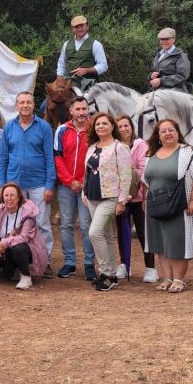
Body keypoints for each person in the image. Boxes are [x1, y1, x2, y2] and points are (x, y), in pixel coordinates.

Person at [143, 119, 193, 294]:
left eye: (171, 129)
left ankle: (179, 279)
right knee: (160, 243)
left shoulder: (189, 152)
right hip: (156, 205)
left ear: (178, 132)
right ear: (158, 136)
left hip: (178, 205)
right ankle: (167, 278)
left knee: (177, 242)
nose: (168, 133)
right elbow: (146, 180)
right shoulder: (151, 154)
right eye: (163, 131)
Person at [0, 91, 56, 274]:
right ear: (17, 105)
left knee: (42, 222)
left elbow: (49, 157)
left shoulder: (44, 127)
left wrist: (49, 185)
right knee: (16, 223)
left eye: (28, 102)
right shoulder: (9, 127)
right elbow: (3, 157)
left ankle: (44, 261)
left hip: (38, 183)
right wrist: (2, 184)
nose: (25, 105)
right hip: (14, 184)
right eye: (22, 102)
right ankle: (18, 261)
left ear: (33, 105)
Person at [81, 113, 133, 291]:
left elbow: (126, 176)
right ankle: (112, 274)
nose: (101, 126)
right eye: (97, 124)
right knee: (107, 236)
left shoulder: (120, 147)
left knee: (94, 233)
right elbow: (87, 171)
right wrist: (84, 191)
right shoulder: (92, 147)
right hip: (92, 196)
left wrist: (122, 201)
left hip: (110, 197)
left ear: (112, 126)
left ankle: (106, 272)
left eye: (105, 123)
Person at [53, 97, 95, 281]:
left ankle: (89, 263)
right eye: (77, 109)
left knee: (86, 226)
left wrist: (84, 180)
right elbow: (57, 157)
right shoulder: (62, 129)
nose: (81, 112)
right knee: (66, 224)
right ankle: (69, 262)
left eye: (84, 108)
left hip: (87, 185)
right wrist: (70, 181)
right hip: (66, 186)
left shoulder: (95, 129)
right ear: (71, 111)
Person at [0, 183, 49, 290]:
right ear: (2, 197)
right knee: (8, 275)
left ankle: (26, 276)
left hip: (27, 248)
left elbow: (25, 237)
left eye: (12, 195)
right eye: (6, 195)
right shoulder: (1, 209)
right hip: (6, 250)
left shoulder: (27, 213)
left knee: (19, 248)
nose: (9, 198)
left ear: (18, 197)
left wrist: (5, 242)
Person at [114, 114, 155, 283]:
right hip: (120, 197)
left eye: (126, 125)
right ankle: (124, 263)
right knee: (122, 231)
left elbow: (143, 168)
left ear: (132, 127)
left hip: (138, 196)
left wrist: (127, 172)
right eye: (120, 126)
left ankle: (151, 267)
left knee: (143, 231)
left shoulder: (140, 145)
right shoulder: (114, 146)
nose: (124, 129)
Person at [56, 15, 108, 91]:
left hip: (88, 84)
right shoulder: (66, 44)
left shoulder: (96, 44)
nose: (79, 29)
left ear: (87, 26)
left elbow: (103, 66)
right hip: (66, 82)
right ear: (73, 29)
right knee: (47, 101)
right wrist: (59, 78)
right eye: (76, 27)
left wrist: (86, 70)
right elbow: (61, 63)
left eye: (82, 26)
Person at [149, 27, 191, 92]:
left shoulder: (181, 55)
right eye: (162, 39)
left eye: (167, 39)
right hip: (157, 91)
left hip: (175, 91)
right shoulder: (158, 54)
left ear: (173, 39)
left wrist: (162, 81)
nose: (164, 41)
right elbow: (152, 71)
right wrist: (151, 75)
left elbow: (182, 76)